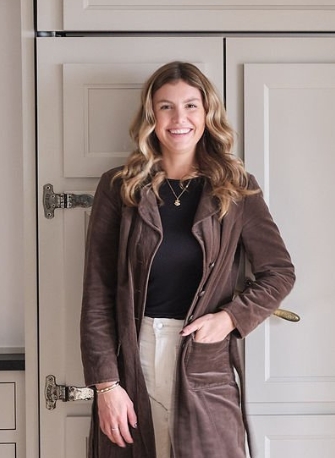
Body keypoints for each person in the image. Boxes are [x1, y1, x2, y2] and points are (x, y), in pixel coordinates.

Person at [80, 61, 295, 458]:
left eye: (191, 106)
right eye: (166, 107)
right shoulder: (120, 187)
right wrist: (106, 386)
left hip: (204, 361)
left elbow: (279, 272)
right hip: (136, 356)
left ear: (207, 113)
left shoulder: (236, 187)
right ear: (151, 116)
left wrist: (230, 318)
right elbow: (98, 292)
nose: (179, 118)